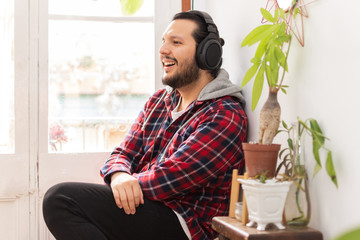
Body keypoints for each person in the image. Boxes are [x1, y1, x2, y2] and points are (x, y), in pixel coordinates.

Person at [43, 10, 248, 240]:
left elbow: (171, 178)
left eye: (176, 42)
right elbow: (122, 153)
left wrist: (129, 183)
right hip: (148, 209)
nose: (163, 50)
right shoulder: (159, 101)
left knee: (60, 200)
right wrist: (119, 175)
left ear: (206, 54)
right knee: (64, 201)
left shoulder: (225, 114)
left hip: (183, 224)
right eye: (163, 42)